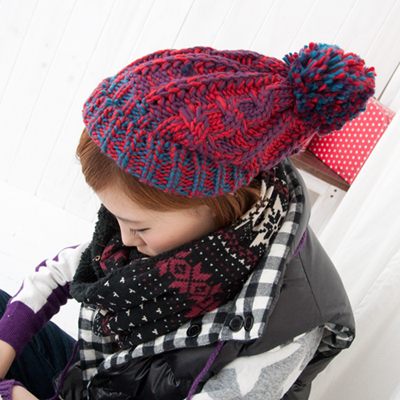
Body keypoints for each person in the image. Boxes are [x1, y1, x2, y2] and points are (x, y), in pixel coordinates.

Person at [0, 43, 375, 400]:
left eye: (139, 227)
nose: (124, 240)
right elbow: (64, 270)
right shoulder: (207, 225)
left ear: (219, 205)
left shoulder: (285, 328)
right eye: (114, 217)